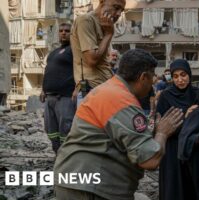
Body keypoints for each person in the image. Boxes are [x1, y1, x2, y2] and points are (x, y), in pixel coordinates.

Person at [54, 49, 184, 200]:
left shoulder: (107, 90)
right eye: (152, 76)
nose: (153, 81)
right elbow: (150, 160)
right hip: (90, 188)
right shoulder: (122, 101)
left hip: (74, 180)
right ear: (143, 77)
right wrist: (162, 132)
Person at [156, 59, 198, 200]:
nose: (180, 80)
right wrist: (186, 118)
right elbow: (160, 127)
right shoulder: (166, 96)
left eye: (183, 75)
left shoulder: (197, 94)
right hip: (172, 150)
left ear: (189, 75)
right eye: (175, 76)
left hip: (193, 149)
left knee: (192, 187)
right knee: (173, 188)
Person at [70, 0, 126, 102]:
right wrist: (109, 34)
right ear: (102, 2)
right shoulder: (86, 21)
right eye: (116, 7)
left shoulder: (105, 25)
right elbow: (92, 60)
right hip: (92, 89)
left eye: (121, 11)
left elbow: (102, 62)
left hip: (104, 87)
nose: (118, 14)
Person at [40, 23, 76, 154]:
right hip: (50, 96)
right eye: (61, 31)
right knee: (51, 129)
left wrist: (77, 88)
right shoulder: (54, 52)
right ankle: (57, 154)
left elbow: (80, 70)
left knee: (66, 128)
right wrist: (43, 89)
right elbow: (48, 70)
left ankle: (66, 158)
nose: (63, 33)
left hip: (65, 97)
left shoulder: (74, 50)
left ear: (72, 33)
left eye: (67, 31)